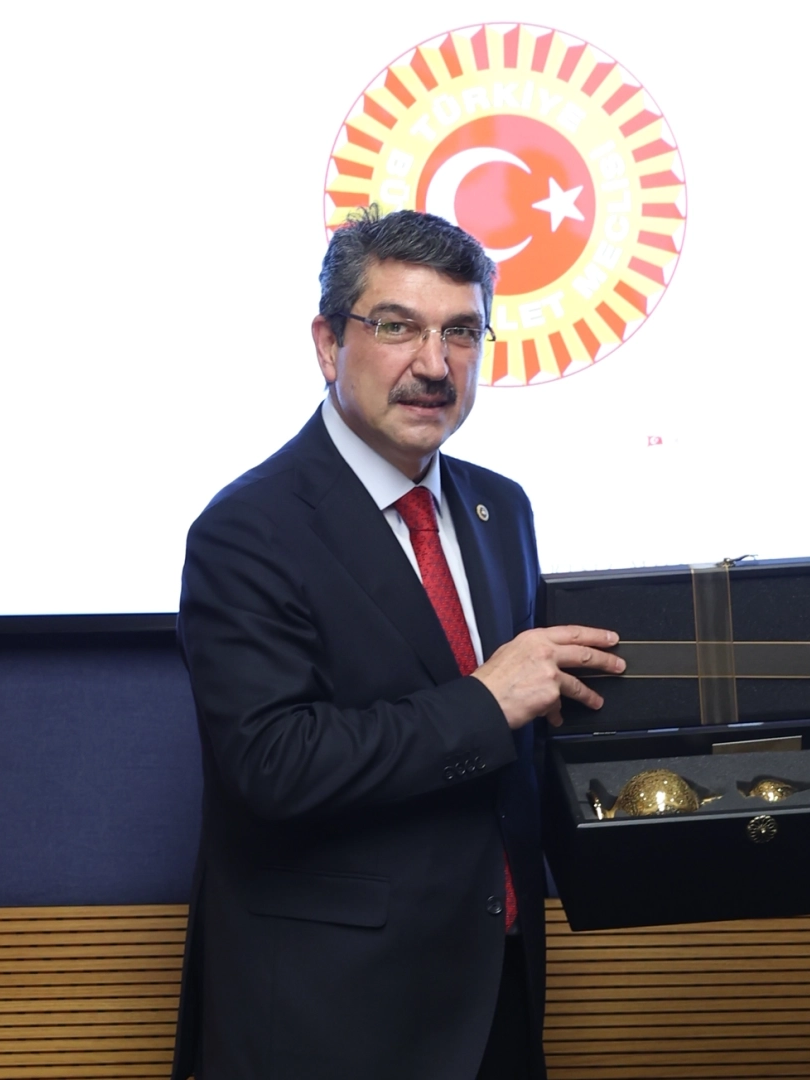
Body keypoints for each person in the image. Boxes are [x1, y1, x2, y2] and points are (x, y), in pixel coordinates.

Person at [170, 208, 622, 1080]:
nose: (434, 364)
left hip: (495, 994)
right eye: (396, 327)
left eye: (461, 332)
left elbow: (538, 728)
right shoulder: (247, 530)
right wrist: (485, 702)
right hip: (330, 1019)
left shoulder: (500, 508)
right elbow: (273, 762)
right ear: (327, 344)